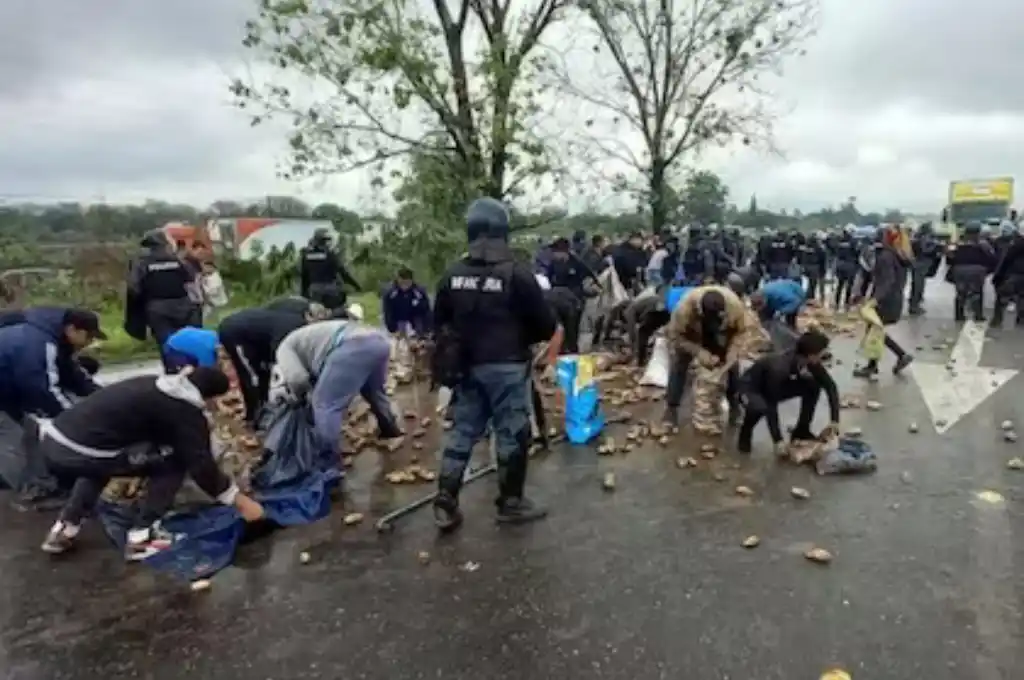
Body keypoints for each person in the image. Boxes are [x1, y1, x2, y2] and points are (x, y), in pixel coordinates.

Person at [33, 367, 265, 558]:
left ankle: (64, 530)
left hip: (54, 440)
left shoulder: (155, 384)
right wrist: (237, 499)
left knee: (99, 465)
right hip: (81, 449)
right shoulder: (183, 410)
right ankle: (142, 537)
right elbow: (200, 463)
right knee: (173, 463)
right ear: (210, 395)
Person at [431, 197, 558, 531]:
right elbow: (545, 326)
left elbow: (439, 322)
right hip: (507, 366)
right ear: (503, 231)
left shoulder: (451, 275)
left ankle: (446, 497)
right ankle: (510, 503)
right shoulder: (517, 274)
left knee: (463, 431)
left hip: (466, 367)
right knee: (512, 433)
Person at [0, 308, 105, 499]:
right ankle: (28, 494)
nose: (90, 343)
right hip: (6, 396)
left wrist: (106, 397)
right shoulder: (40, 344)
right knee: (14, 439)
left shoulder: (54, 340)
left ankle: (40, 484)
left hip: (7, 393)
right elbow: (42, 390)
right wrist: (73, 419)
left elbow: (73, 376)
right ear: (73, 330)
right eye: (88, 337)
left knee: (31, 432)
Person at [274, 317, 401, 458]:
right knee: (374, 392)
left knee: (325, 404)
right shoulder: (304, 337)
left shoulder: (283, 349)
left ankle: (328, 459)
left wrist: (299, 398)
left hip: (352, 345)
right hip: (378, 342)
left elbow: (297, 379)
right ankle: (389, 429)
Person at [736, 329, 840, 456]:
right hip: (750, 388)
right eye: (822, 352)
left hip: (776, 387)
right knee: (760, 406)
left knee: (813, 386)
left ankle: (802, 430)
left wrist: (835, 421)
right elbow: (771, 403)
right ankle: (745, 434)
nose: (823, 355)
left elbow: (830, 386)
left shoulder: (810, 362)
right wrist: (778, 440)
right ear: (812, 354)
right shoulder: (779, 367)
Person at [218, 303, 327, 423]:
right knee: (251, 376)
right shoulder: (293, 326)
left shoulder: (297, 321)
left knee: (264, 372)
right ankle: (253, 416)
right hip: (234, 332)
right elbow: (280, 353)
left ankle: (265, 407)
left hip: (256, 338)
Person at [662, 285, 748, 427]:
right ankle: (671, 408)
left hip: (721, 332)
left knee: (732, 367)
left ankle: (735, 407)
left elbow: (741, 332)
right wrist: (699, 352)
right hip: (691, 333)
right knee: (679, 363)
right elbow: (675, 337)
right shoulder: (684, 309)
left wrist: (732, 352)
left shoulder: (734, 306)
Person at [124, 229, 203, 370]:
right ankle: (194, 371)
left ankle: (173, 374)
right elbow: (192, 281)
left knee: (167, 343)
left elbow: (134, 287)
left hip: (157, 308)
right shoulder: (178, 260)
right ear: (165, 243)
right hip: (184, 306)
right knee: (190, 341)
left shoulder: (141, 263)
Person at [853, 225, 914, 378]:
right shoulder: (899, 254)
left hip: (885, 300)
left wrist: (875, 299)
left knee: (874, 331)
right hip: (893, 298)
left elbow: (887, 280)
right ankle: (886, 361)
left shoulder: (886, 256)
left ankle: (892, 358)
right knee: (875, 331)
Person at [299, 228, 362, 312]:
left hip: (314, 290)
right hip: (330, 289)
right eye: (327, 241)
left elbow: (304, 276)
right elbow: (343, 273)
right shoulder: (330, 255)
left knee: (315, 313)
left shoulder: (307, 255)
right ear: (324, 242)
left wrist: (303, 293)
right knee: (338, 308)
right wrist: (356, 286)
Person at [947, 221, 997, 323]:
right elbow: (992, 257)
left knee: (960, 293)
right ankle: (978, 315)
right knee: (976, 293)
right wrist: (988, 269)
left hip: (959, 269)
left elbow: (949, 257)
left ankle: (959, 315)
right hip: (977, 270)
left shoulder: (956, 243)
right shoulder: (983, 244)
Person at [990, 223, 1024, 328]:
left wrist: (998, 277)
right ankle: (1021, 319)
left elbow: (1006, 261)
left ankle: (997, 320)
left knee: (1002, 296)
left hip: (1014, 276)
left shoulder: (1015, 245)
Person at [382, 267, 432, 337]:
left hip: (415, 321)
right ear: (398, 280)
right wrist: (393, 329)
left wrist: (427, 329)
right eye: (402, 282)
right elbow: (388, 312)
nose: (404, 285)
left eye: (407, 282)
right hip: (398, 320)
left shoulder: (419, 292)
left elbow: (426, 311)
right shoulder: (390, 293)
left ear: (411, 281)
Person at [908, 222, 940, 316]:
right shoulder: (925, 238)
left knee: (916, 285)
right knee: (918, 286)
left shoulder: (916, 237)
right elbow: (926, 250)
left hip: (916, 263)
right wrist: (935, 247)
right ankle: (914, 307)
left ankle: (914, 305)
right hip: (921, 264)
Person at [832, 230, 859, 309]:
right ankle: (846, 303)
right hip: (850, 265)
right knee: (849, 285)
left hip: (840, 265)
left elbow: (835, 251)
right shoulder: (853, 241)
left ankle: (836, 303)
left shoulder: (839, 241)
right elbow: (857, 252)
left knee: (840, 285)